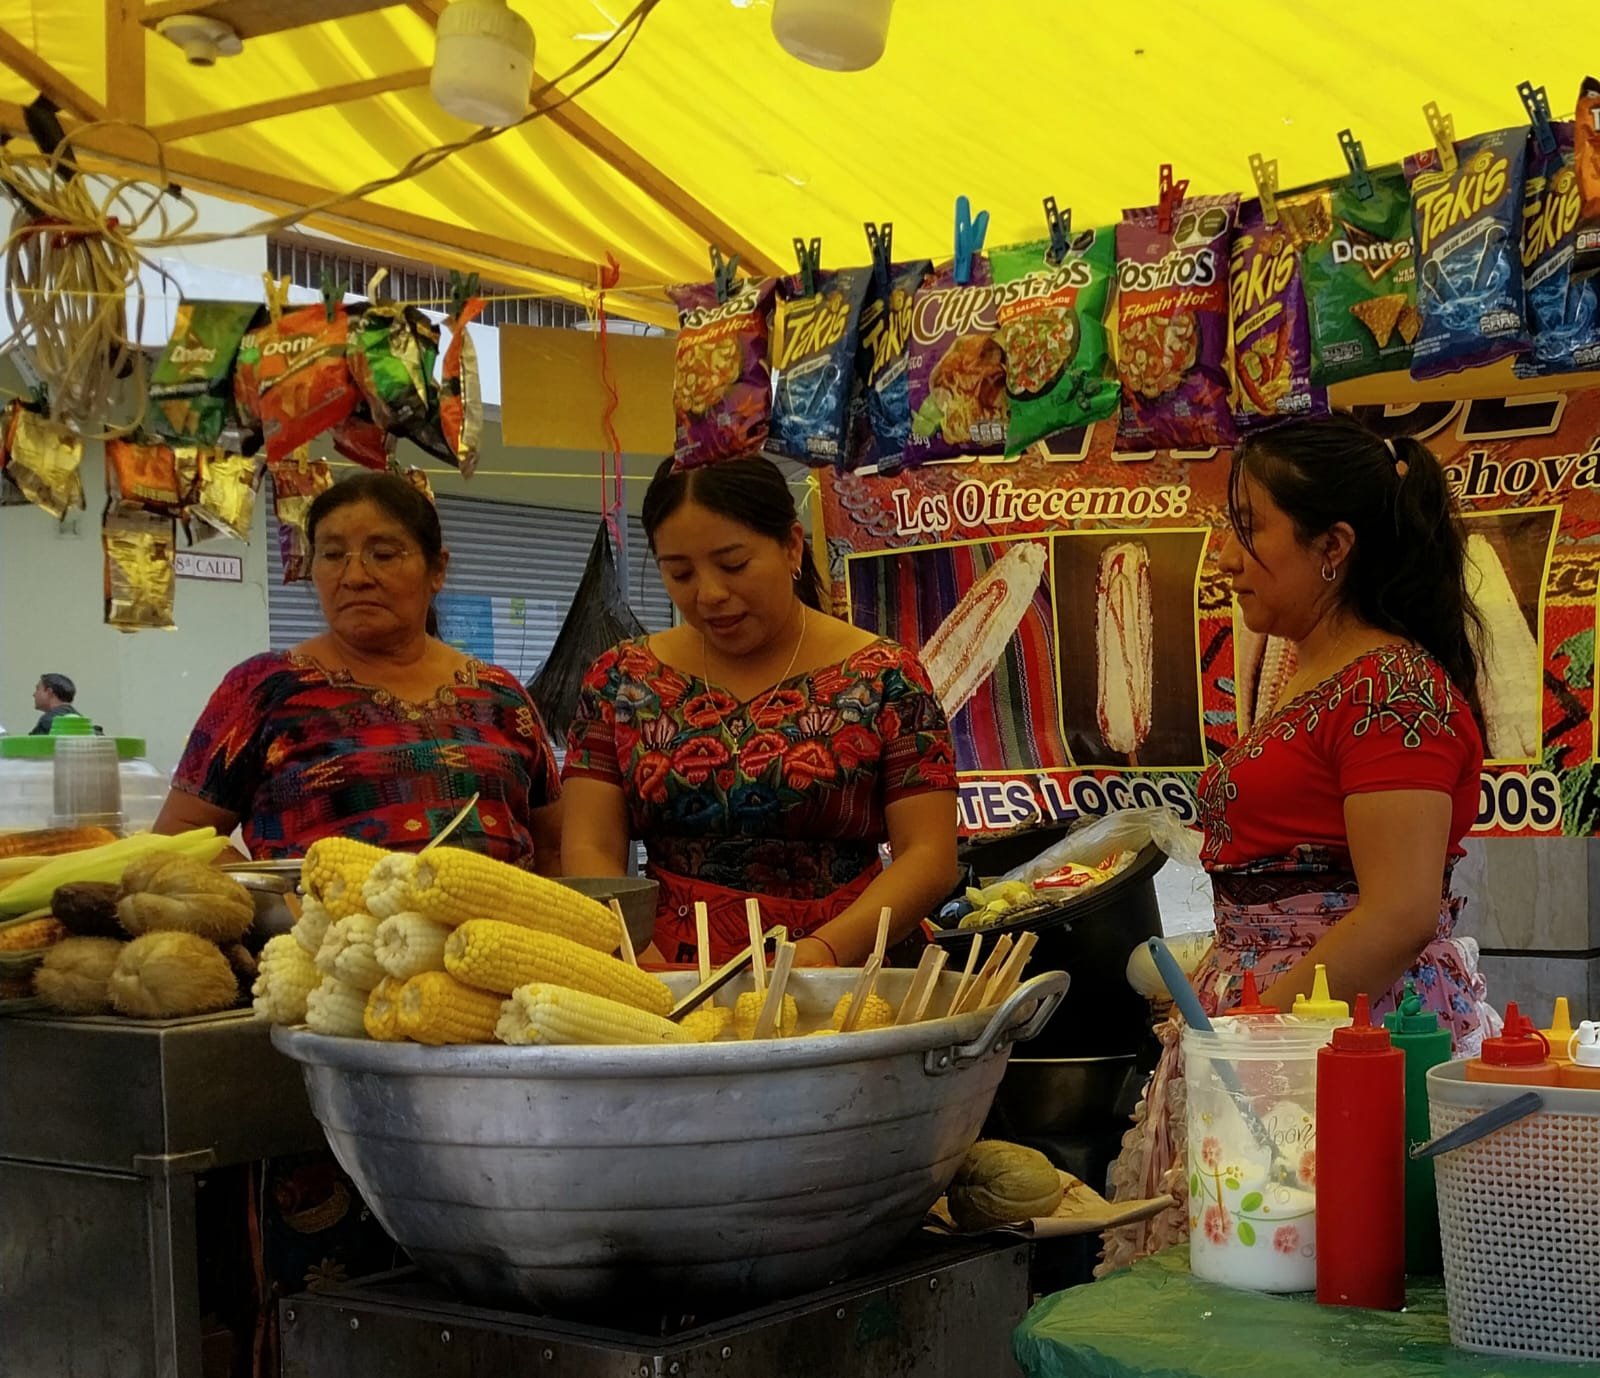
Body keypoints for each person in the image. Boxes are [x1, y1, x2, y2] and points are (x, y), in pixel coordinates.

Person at [1100, 413, 1498, 1272]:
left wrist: (1252, 1033)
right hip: (1273, 1029)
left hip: (1342, 1036)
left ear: (1333, 546)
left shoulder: (1393, 688)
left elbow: (1396, 914)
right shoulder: (1305, 671)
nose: (1227, 556)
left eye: (1249, 529)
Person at [561, 456, 959, 967]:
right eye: (679, 573)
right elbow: (590, 846)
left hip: (849, 967)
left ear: (792, 545)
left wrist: (821, 955)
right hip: (666, 969)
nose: (709, 594)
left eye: (733, 565)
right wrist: (631, 948)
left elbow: (929, 856)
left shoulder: (886, 675)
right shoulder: (619, 679)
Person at [154, 470, 563, 870]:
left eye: (382, 555)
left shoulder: (501, 698)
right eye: (332, 555)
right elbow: (179, 839)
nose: (354, 577)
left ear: (436, 569)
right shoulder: (264, 689)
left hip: (498, 934)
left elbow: (555, 850)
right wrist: (281, 905)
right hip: (319, 936)